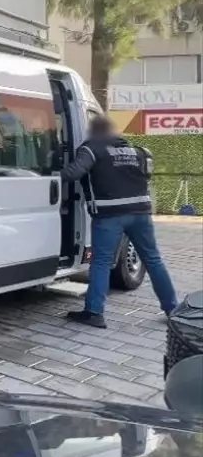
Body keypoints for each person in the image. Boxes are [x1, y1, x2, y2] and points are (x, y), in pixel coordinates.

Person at [61, 115, 179, 328]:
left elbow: (74, 172)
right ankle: (173, 309)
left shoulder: (91, 149)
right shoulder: (135, 151)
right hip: (141, 213)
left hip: (109, 215)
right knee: (153, 260)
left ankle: (94, 312)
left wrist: (46, 175)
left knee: (101, 262)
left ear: (94, 132)